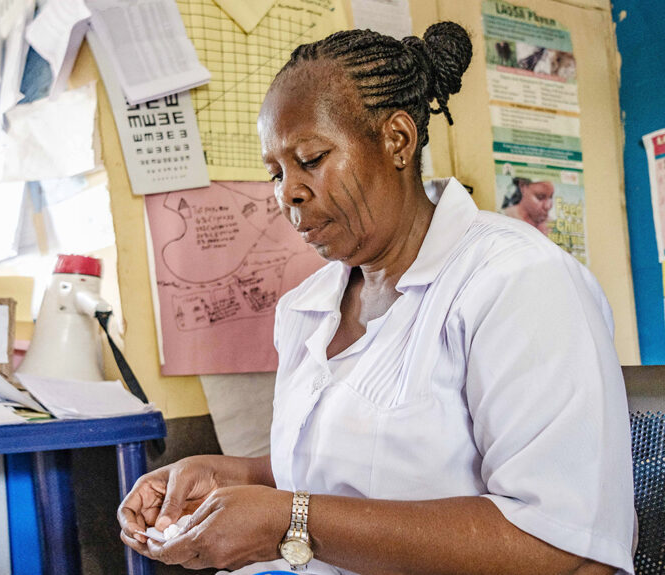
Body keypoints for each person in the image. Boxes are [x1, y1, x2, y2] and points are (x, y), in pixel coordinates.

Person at [119, 22, 635, 575]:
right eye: (275, 172)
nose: (287, 192)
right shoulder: (308, 308)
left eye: (311, 159)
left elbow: (561, 541)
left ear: (397, 140)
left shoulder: (517, 281)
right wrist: (235, 477)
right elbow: (368, 467)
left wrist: (288, 521)